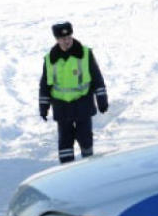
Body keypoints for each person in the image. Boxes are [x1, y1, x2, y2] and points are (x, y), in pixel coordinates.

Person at [39, 21, 108, 163]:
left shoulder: (85, 54)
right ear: (57, 40)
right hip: (61, 107)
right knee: (65, 144)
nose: (67, 41)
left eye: (69, 37)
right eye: (63, 39)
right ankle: (66, 173)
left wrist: (102, 100)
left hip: (83, 104)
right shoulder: (49, 59)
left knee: (85, 140)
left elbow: (97, 78)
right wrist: (43, 107)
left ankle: (88, 168)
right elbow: (45, 85)